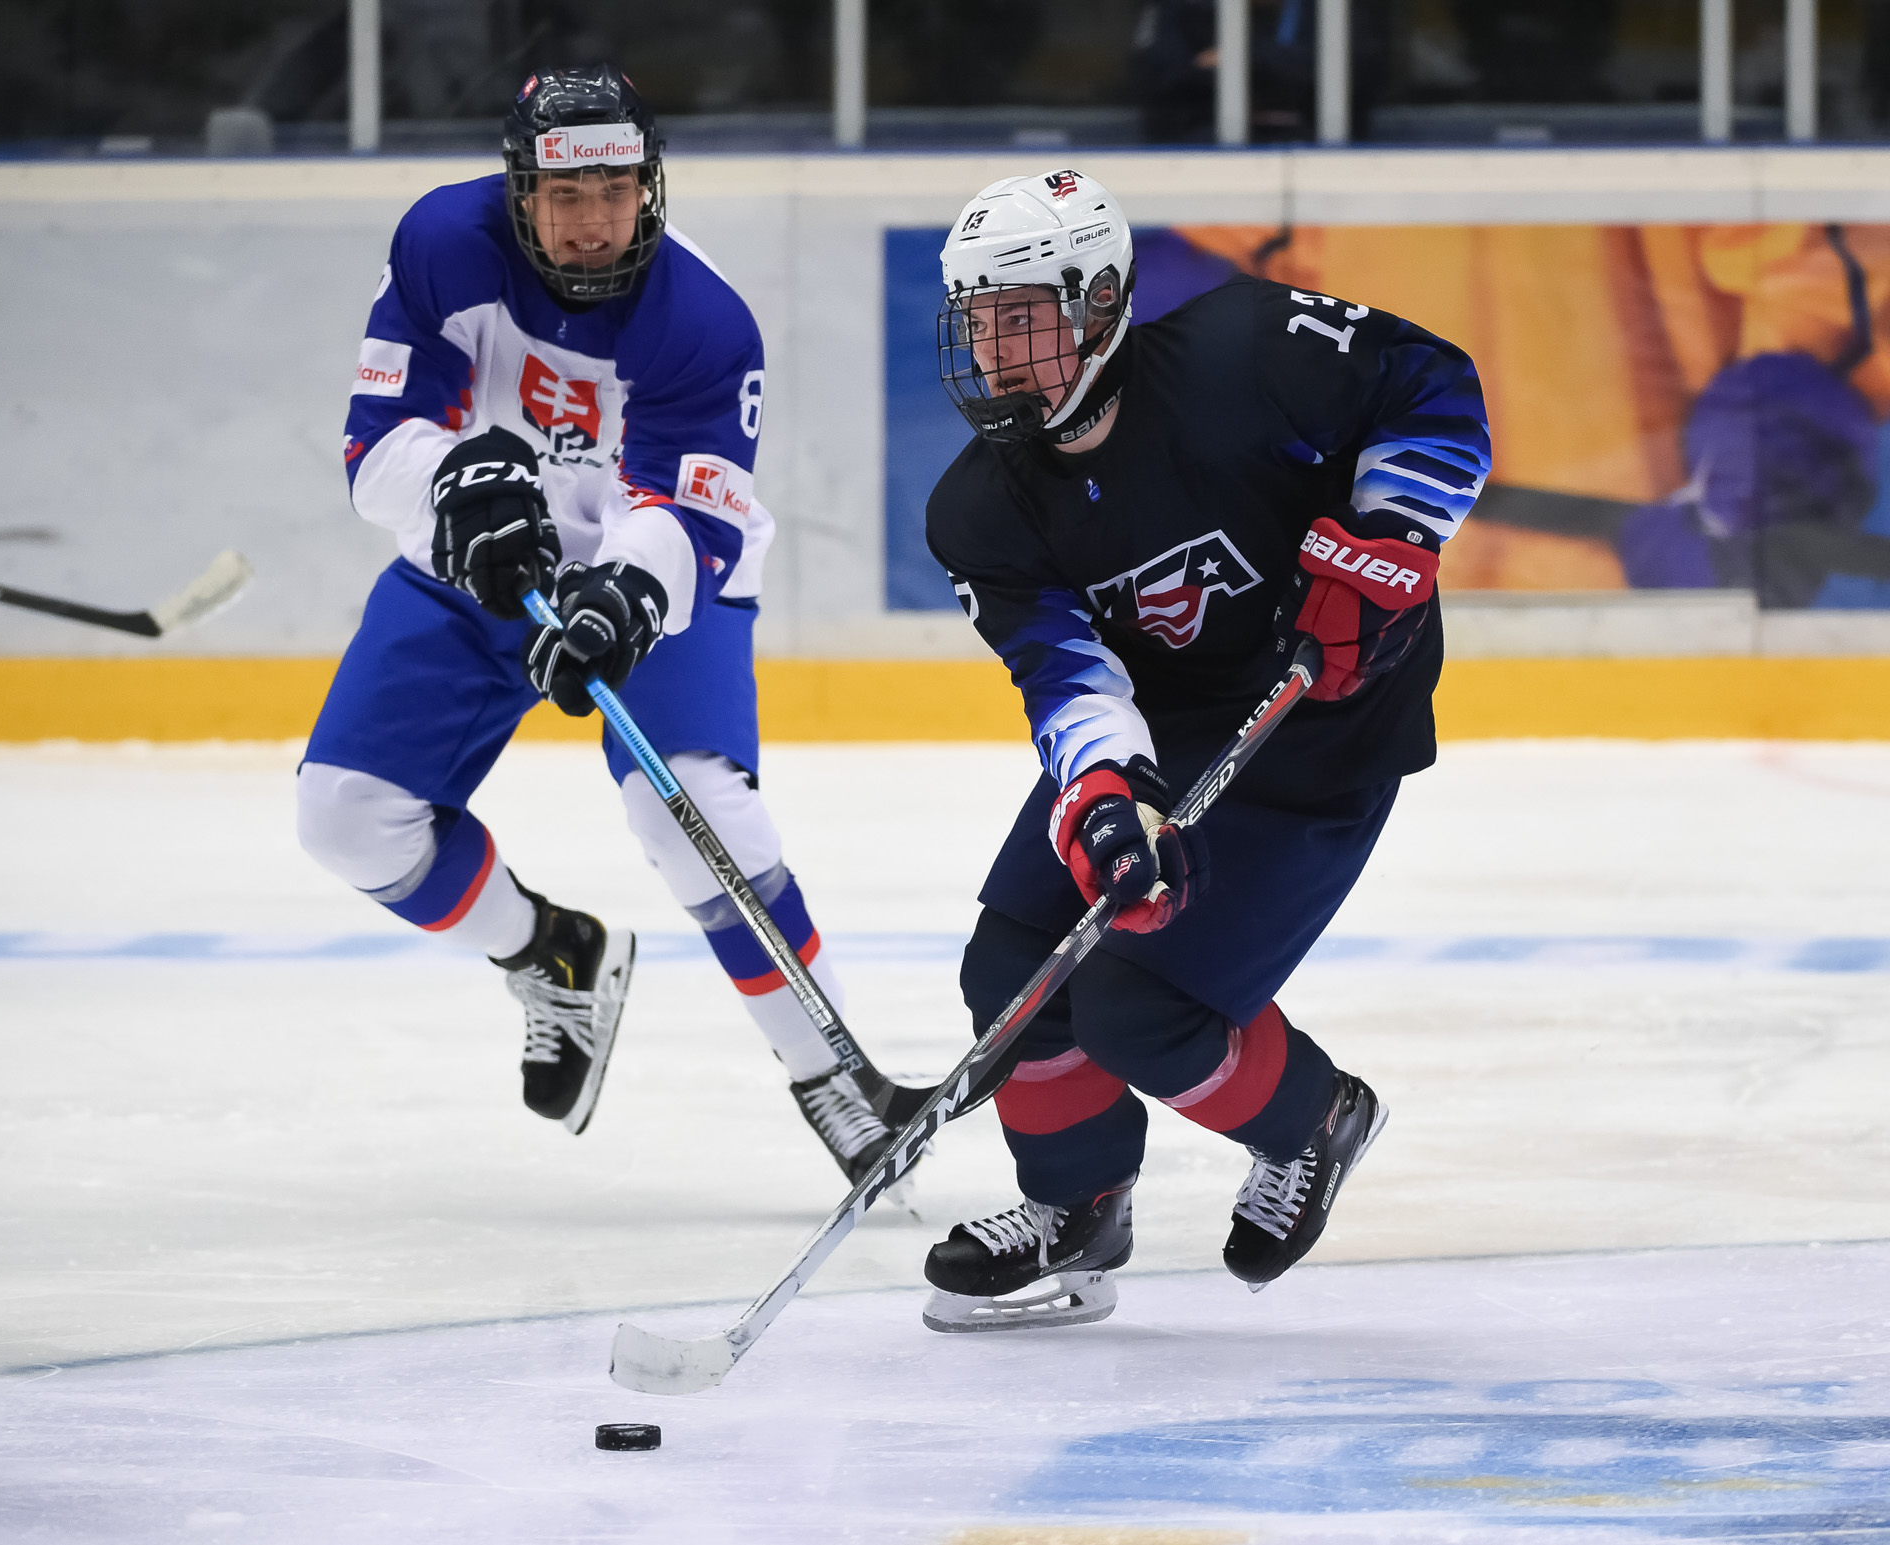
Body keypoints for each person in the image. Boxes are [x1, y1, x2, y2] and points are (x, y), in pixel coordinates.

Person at [295, 66, 896, 1181]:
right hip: (472, 563)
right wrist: (450, 477)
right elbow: (375, 441)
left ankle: (831, 1071)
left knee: (689, 816)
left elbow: (694, 517)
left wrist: (624, 593)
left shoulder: (703, 323)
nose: (589, 223)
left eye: (614, 191)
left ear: (649, 188)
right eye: (564, 196)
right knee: (345, 819)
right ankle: (550, 958)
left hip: (644, 572)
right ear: (517, 192)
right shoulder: (440, 243)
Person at [919, 169, 1489, 1331]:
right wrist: (1104, 800)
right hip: (1169, 723)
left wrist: (1387, 541)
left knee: (1138, 1011)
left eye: (1019, 315)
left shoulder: (1246, 345)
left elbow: (1432, 390)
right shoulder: (980, 507)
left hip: (1325, 719)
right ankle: (1077, 1201)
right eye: (977, 320)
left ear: (1101, 300)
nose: (995, 351)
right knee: (1011, 976)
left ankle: (1316, 1119)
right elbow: (1067, 677)